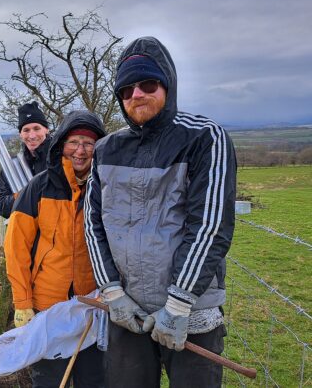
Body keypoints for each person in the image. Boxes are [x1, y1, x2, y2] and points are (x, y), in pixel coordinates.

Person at [85, 36, 236, 387]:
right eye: (126, 90)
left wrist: (179, 303)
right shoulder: (106, 149)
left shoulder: (204, 138)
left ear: (167, 84)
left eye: (147, 84)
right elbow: (93, 226)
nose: (136, 94)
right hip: (129, 312)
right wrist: (112, 292)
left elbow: (209, 226)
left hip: (190, 311)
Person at [5, 110, 106, 388]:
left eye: (89, 143)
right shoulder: (38, 188)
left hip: (94, 307)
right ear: (61, 145)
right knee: (49, 381)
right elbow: (16, 249)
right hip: (48, 307)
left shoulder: (108, 188)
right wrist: (23, 303)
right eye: (74, 142)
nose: (81, 151)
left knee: (94, 380)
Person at [0, 101, 51, 219]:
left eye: (36, 128)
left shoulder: (60, 158)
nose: (32, 135)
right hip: (27, 232)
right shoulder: (13, 167)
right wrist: (20, 196)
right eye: (26, 130)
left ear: (46, 130)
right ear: (20, 134)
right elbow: (1, 206)